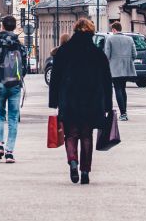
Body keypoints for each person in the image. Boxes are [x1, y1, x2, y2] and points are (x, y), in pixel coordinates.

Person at [48, 18, 112, 185]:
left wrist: (53, 102)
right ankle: (85, 171)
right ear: (91, 32)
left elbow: (54, 79)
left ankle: (73, 161)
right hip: (92, 101)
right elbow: (107, 80)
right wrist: (108, 105)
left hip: (69, 100)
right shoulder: (98, 53)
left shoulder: (64, 51)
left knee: (71, 134)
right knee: (86, 135)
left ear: (75, 30)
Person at [0, 15, 27, 162]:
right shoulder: (20, 45)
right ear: (14, 26)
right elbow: (24, 67)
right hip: (15, 84)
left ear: (2, 26)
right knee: (13, 118)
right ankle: (10, 151)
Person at [103, 21, 136, 121]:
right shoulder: (129, 39)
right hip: (126, 68)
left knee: (117, 89)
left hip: (115, 68)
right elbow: (134, 54)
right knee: (123, 88)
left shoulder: (110, 39)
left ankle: (123, 113)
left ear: (114, 29)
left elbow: (107, 55)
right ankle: (124, 112)